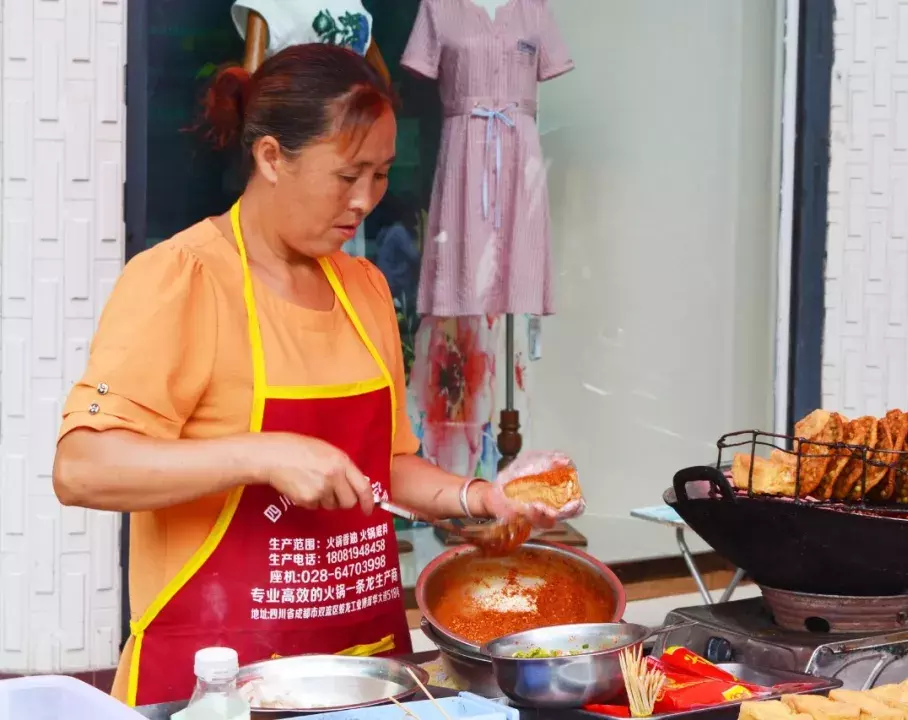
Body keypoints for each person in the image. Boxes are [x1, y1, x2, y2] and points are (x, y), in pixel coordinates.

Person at [52, 44, 555, 707]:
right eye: (346, 176)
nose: (365, 201)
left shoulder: (364, 287)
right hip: (215, 688)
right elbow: (82, 467)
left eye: (378, 175)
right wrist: (262, 453)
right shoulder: (181, 280)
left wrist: (480, 498)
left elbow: (386, 465)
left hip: (367, 677)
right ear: (269, 158)